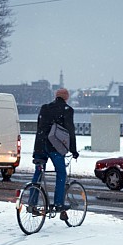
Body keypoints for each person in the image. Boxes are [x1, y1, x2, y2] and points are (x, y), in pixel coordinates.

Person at [31, 88, 79, 221]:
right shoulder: (67, 110)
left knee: (38, 173)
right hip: (55, 147)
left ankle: (32, 203)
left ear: (56, 96)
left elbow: (39, 126)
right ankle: (59, 204)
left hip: (40, 146)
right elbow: (70, 131)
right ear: (66, 98)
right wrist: (73, 150)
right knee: (61, 173)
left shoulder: (44, 108)